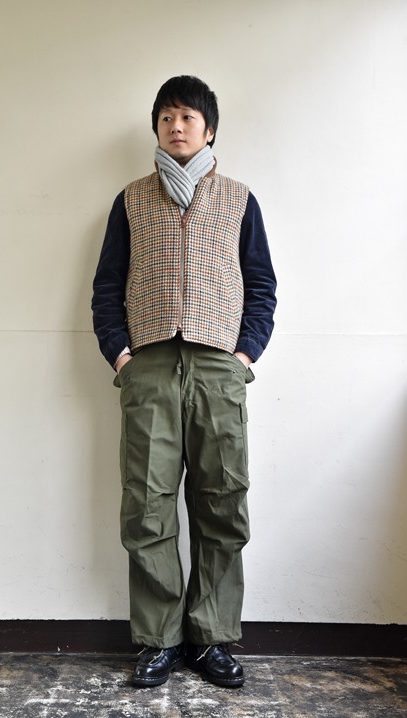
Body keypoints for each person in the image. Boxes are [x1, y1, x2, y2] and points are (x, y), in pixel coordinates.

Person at [92, 75, 276, 688]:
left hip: (219, 368)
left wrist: (244, 356)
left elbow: (262, 285)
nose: (177, 126)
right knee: (147, 506)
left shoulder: (239, 199)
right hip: (148, 367)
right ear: (157, 127)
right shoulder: (131, 200)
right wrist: (121, 356)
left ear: (209, 129)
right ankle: (159, 639)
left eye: (188, 117)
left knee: (222, 502)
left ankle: (212, 636)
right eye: (167, 116)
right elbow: (107, 286)